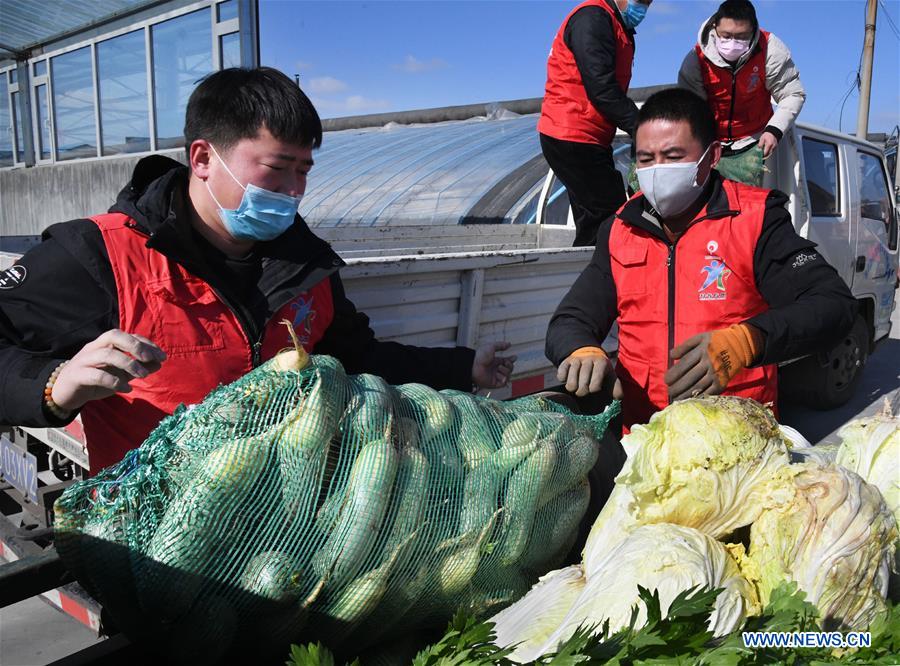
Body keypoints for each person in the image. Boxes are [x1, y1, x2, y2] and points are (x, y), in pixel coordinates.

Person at [0, 67, 515, 472]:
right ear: (203, 158)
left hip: (276, 533)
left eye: (304, 171)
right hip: (152, 549)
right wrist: (54, 385)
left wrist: (461, 367)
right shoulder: (100, 253)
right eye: (275, 168)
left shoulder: (307, 265)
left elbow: (358, 359)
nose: (293, 191)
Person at [545, 88, 855, 431]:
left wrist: (746, 341)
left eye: (673, 155)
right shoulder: (619, 228)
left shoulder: (756, 219)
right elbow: (571, 319)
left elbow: (833, 305)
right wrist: (581, 349)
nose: (657, 170)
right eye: (646, 159)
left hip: (735, 439)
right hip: (644, 440)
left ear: (712, 157)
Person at [538, 0, 653, 247]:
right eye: (640, 0)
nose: (643, 7)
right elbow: (601, 88)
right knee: (608, 219)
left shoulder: (615, 24)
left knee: (594, 219)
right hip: (572, 134)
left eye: (648, 2)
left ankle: (583, 275)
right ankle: (595, 280)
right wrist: (643, 128)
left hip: (585, 136)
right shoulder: (593, 18)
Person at [678, 0, 805, 159]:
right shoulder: (696, 60)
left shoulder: (771, 49)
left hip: (758, 139)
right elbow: (690, 109)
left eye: (742, 36)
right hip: (712, 144)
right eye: (726, 35)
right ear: (714, 27)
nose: (733, 42)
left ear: (753, 31)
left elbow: (792, 94)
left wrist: (774, 130)